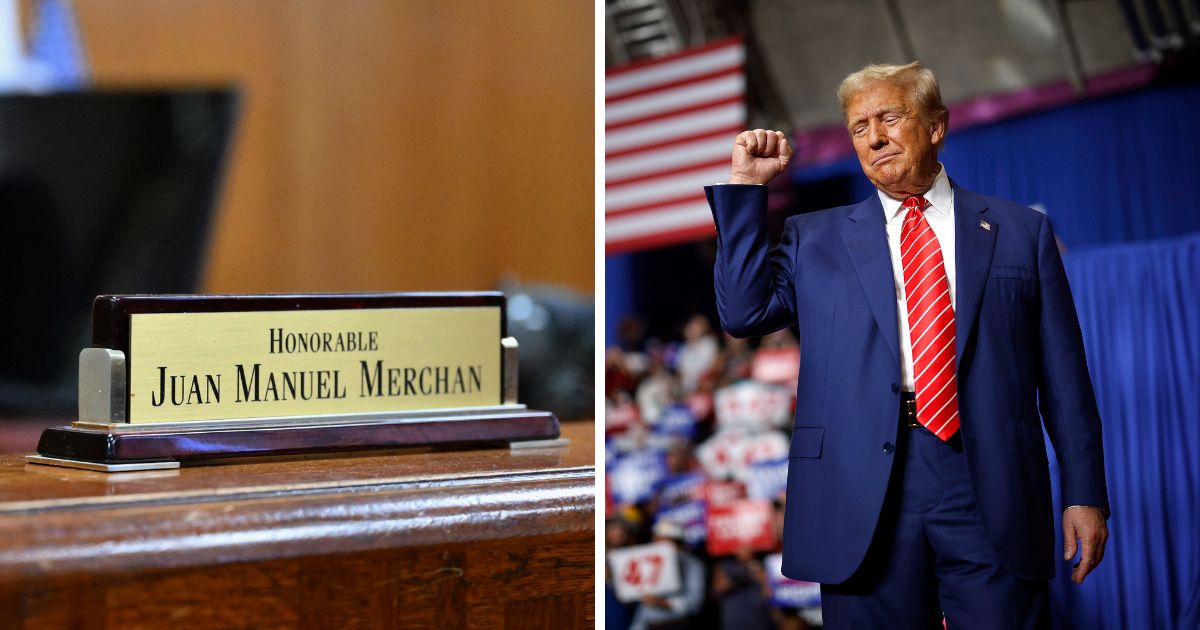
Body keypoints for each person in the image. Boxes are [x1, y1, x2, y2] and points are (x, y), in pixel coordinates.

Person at [705, 62, 1110, 629]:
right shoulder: (813, 236)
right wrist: (747, 188)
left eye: (889, 118)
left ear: (936, 125)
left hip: (988, 477)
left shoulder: (1021, 232)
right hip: (858, 484)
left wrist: (1084, 493)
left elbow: (1064, 377)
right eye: (858, 126)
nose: (873, 137)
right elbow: (744, 313)